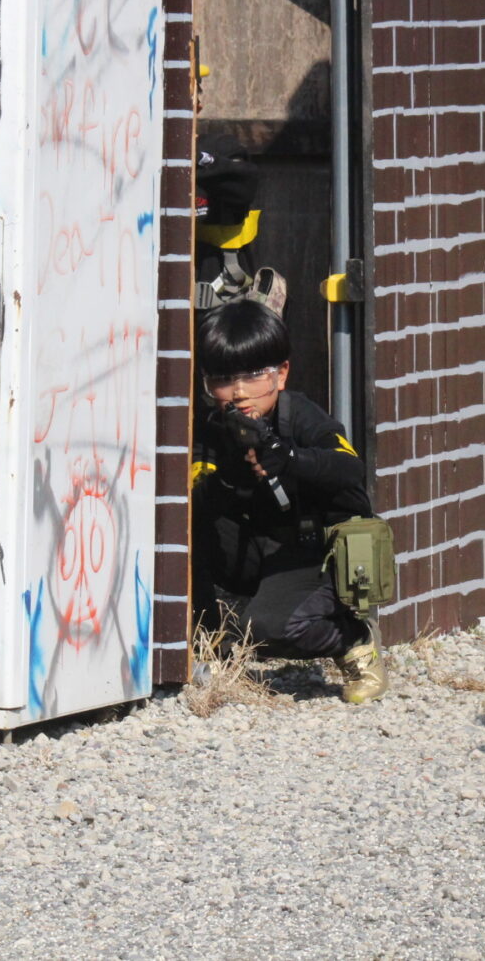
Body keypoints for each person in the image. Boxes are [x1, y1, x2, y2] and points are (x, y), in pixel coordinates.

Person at [190, 301, 388, 703]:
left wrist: (291, 459)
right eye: (223, 379)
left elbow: (349, 468)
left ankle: (353, 639)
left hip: (311, 554)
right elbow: (195, 494)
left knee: (268, 630)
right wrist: (230, 476)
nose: (239, 392)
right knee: (187, 525)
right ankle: (208, 645)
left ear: (280, 374)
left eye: (253, 375)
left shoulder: (299, 416)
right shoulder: (210, 430)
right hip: (256, 550)